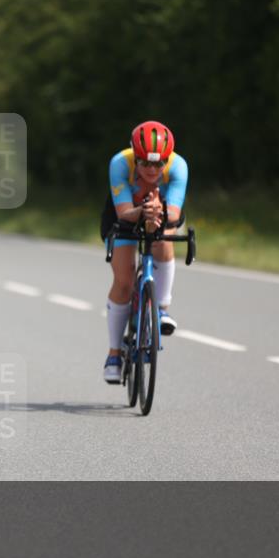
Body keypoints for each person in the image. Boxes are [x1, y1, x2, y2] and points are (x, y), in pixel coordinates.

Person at [101, 120, 189, 384]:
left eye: (158, 163)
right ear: (135, 157)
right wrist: (143, 212)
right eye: (145, 164)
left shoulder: (178, 166)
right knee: (125, 281)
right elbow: (124, 213)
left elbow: (173, 213)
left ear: (167, 159)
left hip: (162, 213)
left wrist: (157, 213)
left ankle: (161, 307)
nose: (152, 170)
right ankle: (114, 353)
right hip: (125, 215)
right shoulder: (120, 163)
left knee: (164, 238)